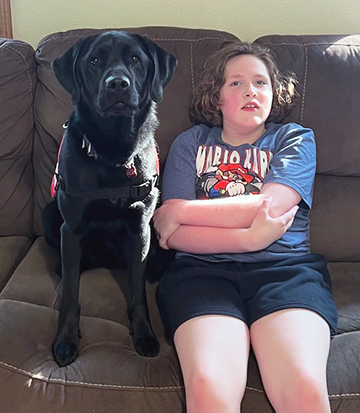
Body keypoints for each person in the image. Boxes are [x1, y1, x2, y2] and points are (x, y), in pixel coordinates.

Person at [153, 42, 337, 413]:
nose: (251, 90)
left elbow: (268, 205)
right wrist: (251, 236)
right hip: (201, 273)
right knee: (208, 387)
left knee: (302, 384)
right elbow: (171, 235)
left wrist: (182, 209)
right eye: (235, 83)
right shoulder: (191, 144)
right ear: (215, 96)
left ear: (273, 94)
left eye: (260, 82)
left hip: (286, 273)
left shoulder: (294, 139)